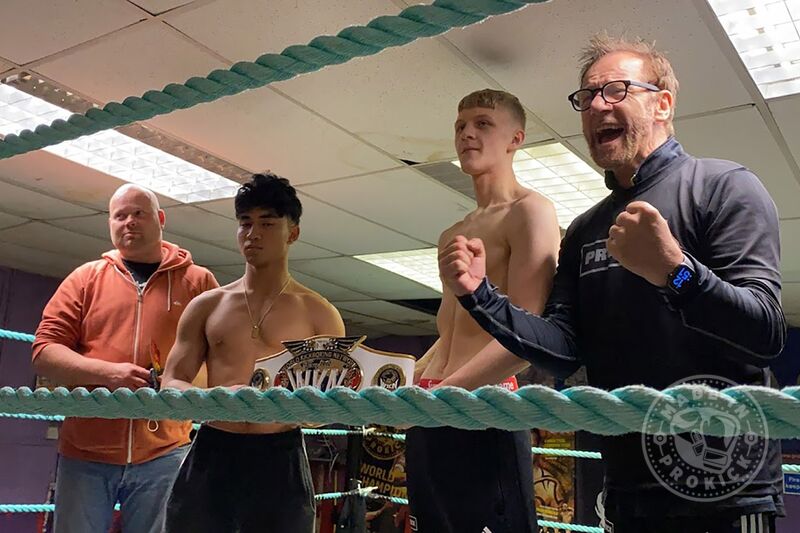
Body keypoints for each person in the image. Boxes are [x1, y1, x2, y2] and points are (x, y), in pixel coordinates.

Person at [439, 35, 786, 533]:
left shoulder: (724, 186)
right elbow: (562, 347)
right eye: (587, 96)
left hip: (724, 492)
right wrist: (482, 297)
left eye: (617, 90)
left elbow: (766, 333)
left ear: (662, 104)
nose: (598, 104)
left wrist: (676, 273)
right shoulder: (584, 229)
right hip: (627, 489)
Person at [406, 89, 561, 533]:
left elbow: (528, 336)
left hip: (481, 405)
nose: (467, 133)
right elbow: (448, 330)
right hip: (433, 402)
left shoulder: (531, 212)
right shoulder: (452, 232)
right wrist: (401, 379)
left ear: (516, 138)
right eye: (460, 126)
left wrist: (444, 395)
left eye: (482, 123)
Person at [161, 173, 346, 533]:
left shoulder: (319, 313)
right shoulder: (207, 306)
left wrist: (305, 410)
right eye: (245, 223)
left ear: (292, 233)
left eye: (267, 222)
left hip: (281, 455)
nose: (253, 233)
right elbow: (172, 381)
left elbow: (331, 402)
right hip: (213, 450)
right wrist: (213, 399)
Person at [31, 184, 219, 533]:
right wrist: (108, 374)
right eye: (120, 215)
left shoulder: (198, 282)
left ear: (160, 219)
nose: (129, 222)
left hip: (165, 451)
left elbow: (221, 360)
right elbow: (45, 352)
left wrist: (179, 383)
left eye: (139, 213)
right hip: (85, 451)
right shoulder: (85, 278)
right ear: (109, 224)